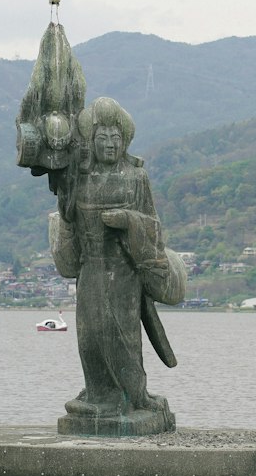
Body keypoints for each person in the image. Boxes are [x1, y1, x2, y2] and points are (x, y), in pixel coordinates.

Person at [49, 96, 186, 434]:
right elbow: (67, 216)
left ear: (124, 141)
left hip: (123, 271)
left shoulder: (136, 178)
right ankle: (98, 395)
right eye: (102, 138)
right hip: (91, 268)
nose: (109, 144)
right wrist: (62, 181)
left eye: (115, 139)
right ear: (91, 141)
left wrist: (128, 220)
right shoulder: (82, 177)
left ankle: (131, 396)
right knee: (90, 335)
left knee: (121, 336)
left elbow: (153, 227)